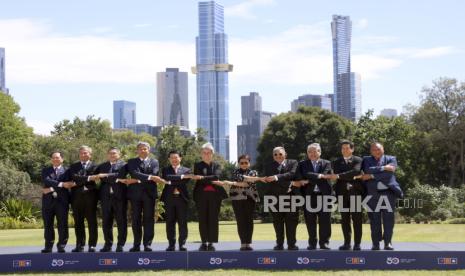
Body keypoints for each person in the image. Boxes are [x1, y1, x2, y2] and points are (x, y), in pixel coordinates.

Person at [360, 142, 403, 250]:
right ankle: (376, 243)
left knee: (389, 220)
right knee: (374, 220)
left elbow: (389, 173)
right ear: (371, 151)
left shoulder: (391, 158)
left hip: (388, 193)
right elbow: (367, 170)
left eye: (378, 149)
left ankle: (388, 243)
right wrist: (384, 168)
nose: (376, 151)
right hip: (372, 194)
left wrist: (372, 175)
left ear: (383, 149)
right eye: (374, 150)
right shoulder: (366, 159)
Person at [94, 147, 136, 252]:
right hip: (105, 197)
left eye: (114, 153)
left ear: (119, 155)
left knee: (121, 221)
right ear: (107, 155)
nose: (112, 155)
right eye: (110, 153)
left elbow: (120, 175)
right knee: (106, 222)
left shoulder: (124, 165)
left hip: (120, 197)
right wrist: (116, 179)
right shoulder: (102, 166)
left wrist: (106, 175)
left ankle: (120, 244)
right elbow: (101, 178)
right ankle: (108, 244)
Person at [215, 154, 260, 251]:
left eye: (246, 162)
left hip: (250, 199)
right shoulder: (235, 171)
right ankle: (243, 243)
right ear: (239, 163)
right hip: (237, 198)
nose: (244, 164)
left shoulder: (254, 172)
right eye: (241, 163)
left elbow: (246, 183)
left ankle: (248, 243)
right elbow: (245, 180)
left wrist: (231, 182)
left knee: (249, 221)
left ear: (249, 163)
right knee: (240, 221)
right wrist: (248, 178)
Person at [329, 140, 364, 251]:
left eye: (347, 148)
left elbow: (356, 171)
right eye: (343, 148)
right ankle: (347, 243)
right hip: (342, 194)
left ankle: (357, 244)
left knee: (357, 219)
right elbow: (351, 174)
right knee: (345, 220)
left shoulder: (358, 160)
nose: (344, 150)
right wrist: (350, 176)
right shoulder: (336, 162)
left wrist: (339, 176)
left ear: (352, 149)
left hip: (355, 194)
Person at [296, 143, 332, 250]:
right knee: (310, 220)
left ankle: (324, 243)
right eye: (309, 152)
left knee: (325, 221)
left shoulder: (327, 163)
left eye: (314, 151)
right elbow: (301, 175)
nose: (312, 154)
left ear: (319, 152)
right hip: (309, 196)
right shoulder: (302, 164)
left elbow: (324, 175)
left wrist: (309, 177)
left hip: (324, 196)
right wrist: (318, 176)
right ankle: (312, 243)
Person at [192, 142, 227, 251]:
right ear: (201, 154)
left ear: (212, 154)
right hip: (201, 196)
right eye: (204, 153)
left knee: (213, 219)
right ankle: (204, 242)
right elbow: (202, 180)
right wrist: (209, 179)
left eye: (208, 153)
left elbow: (216, 176)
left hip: (215, 196)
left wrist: (203, 178)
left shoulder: (217, 165)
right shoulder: (197, 165)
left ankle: (211, 242)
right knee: (202, 219)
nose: (206, 154)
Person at [263, 146, 299, 251]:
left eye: (280, 154)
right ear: (273, 156)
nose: (278, 156)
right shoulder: (268, 166)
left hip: (291, 198)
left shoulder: (293, 163)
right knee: (277, 222)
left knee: (292, 222)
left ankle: (292, 244)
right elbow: (270, 180)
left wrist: (276, 177)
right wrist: (290, 183)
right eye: (275, 154)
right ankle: (279, 244)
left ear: (285, 154)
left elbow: (292, 174)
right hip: (274, 198)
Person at [126, 141, 160, 252]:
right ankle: (136, 244)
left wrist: (140, 179)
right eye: (140, 148)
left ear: (148, 150)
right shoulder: (131, 162)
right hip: (135, 194)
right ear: (137, 150)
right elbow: (134, 173)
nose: (143, 150)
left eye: (145, 149)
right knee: (135, 219)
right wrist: (149, 178)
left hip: (149, 195)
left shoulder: (155, 161)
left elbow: (155, 175)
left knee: (149, 219)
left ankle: (147, 244)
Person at [67, 145, 99, 253]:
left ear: (90, 154)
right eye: (81, 153)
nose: (83, 155)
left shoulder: (95, 166)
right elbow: (74, 177)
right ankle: (79, 245)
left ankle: (92, 245)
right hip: (76, 198)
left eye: (85, 153)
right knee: (78, 222)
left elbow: (80, 179)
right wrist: (89, 178)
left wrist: (80, 180)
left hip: (91, 197)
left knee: (92, 222)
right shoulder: (73, 166)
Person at [40, 151, 73, 253]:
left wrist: (50, 190)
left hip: (62, 202)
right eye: (53, 157)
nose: (55, 159)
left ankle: (61, 246)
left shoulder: (68, 171)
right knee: (48, 225)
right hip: (48, 202)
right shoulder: (45, 170)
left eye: (57, 157)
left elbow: (69, 184)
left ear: (62, 159)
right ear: (51, 159)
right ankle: (48, 246)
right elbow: (47, 181)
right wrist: (61, 185)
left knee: (62, 224)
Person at [159, 150, 193, 251]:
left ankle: (182, 244)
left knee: (183, 223)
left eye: (176, 157)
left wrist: (170, 182)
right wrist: (181, 177)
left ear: (180, 158)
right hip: (169, 199)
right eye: (172, 157)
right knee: (170, 222)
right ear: (169, 159)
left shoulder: (187, 170)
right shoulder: (165, 169)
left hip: (182, 199)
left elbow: (184, 182)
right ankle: (171, 244)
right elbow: (167, 177)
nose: (174, 159)